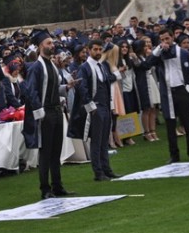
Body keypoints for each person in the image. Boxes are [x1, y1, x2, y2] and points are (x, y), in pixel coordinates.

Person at [22, 28, 77, 200]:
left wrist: (66, 88)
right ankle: (45, 188)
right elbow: (31, 91)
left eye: (52, 43)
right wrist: (40, 112)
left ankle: (57, 186)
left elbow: (52, 88)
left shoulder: (52, 65)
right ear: (40, 46)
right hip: (46, 112)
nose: (52, 45)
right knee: (45, 152)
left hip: (56, 110)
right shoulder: (36, 67)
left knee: (56, 150)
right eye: (48, 43)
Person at [69, 40, 121, 181]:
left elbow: (105, 82)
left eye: (100, 49)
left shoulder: (102, 65)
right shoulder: (85, 67)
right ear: (89, 50)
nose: (98, 52)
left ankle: (107, 169)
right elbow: (82, 87)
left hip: (105, 105)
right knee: (96, 141)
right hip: (96, 107)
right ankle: (98, 172)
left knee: (104, 140)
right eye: (95, 49)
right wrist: (90, 106)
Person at [147, 28, 189, 163]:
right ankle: (174, 155)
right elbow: (147, 63)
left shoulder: (183, 53)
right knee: (170, 126)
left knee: (188, 125)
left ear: (172, 38)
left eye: (167, 39)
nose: (165, 42)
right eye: (162, 39)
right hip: (168, 92)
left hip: (182, 91)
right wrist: (159, 49)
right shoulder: (159, 54)